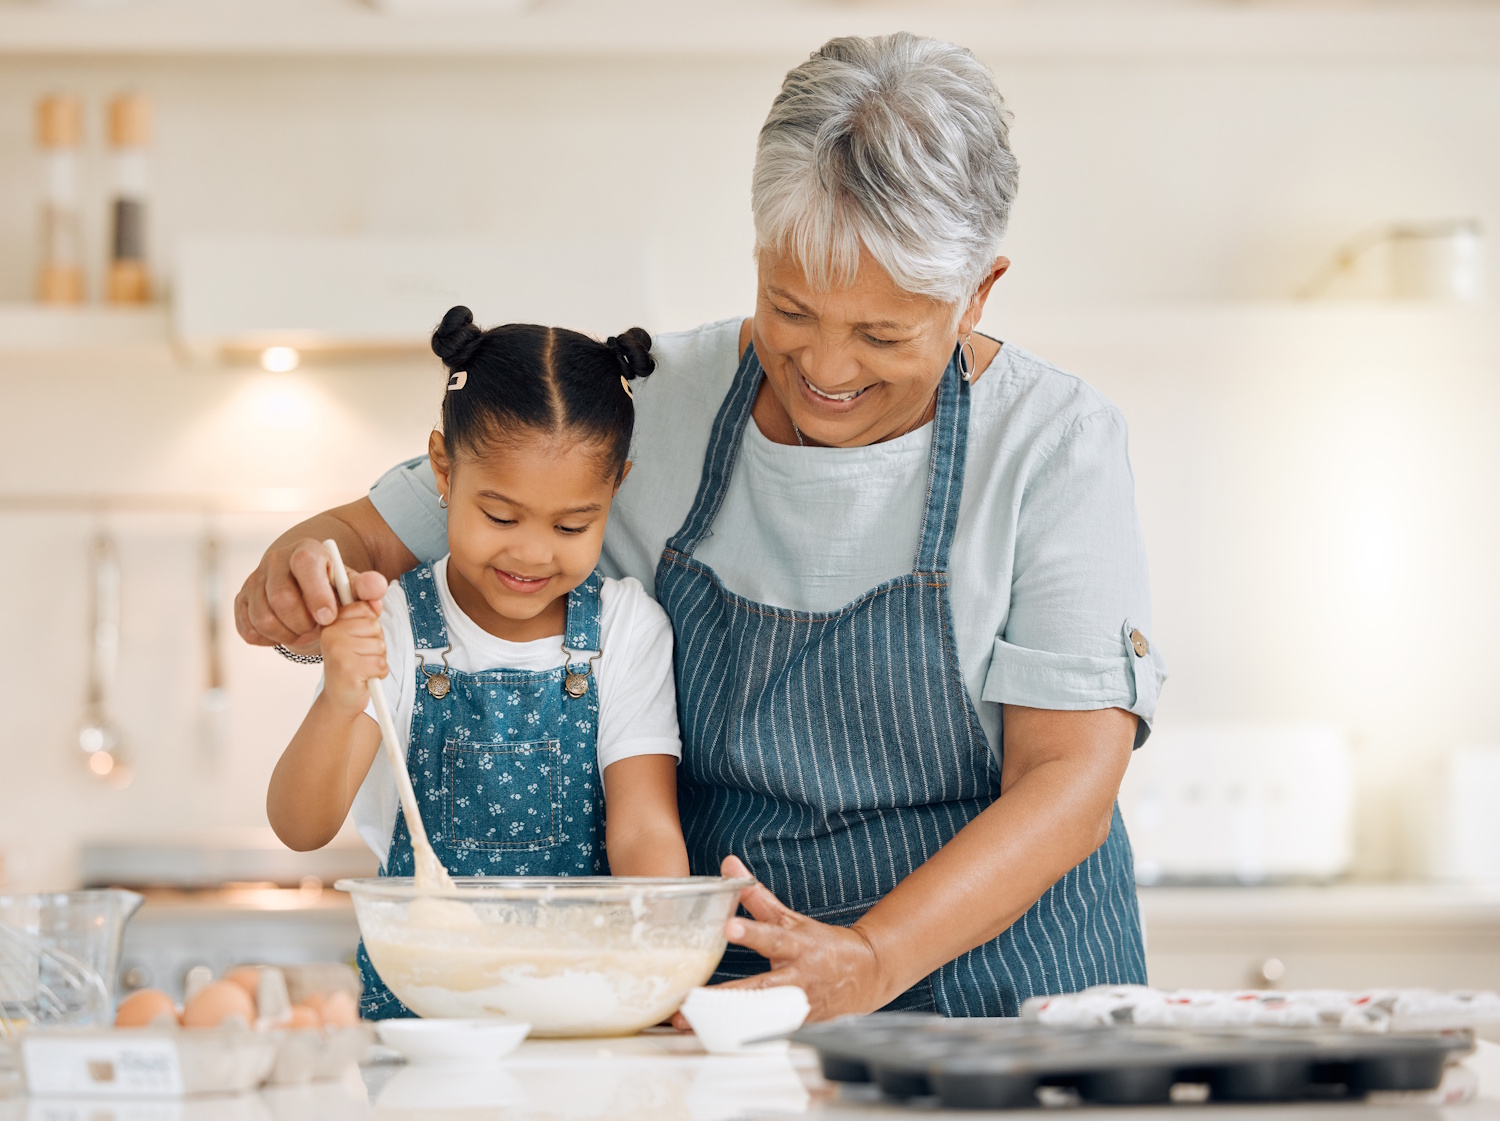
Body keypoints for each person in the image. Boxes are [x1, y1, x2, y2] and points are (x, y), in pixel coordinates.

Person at [240, 33, 1169, 1020]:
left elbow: (1069, 774)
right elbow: (380, 532)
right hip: (727, 1012)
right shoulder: (653, 401)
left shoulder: (1054, 443)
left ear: (978, 290)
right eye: (791, 306)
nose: (828, 367)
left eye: (883, 334)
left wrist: (871, 956)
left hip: (1012, 1004)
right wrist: (297, 570)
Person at [264, 308, 689, 1019]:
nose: (530, 552)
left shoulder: (626, 630)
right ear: (443, 467)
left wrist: (666, 963)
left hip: (580, 1015)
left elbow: (644, 829)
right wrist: (340, 696)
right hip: (420, 1020)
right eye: (500, 516)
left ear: (616, 486)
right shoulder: (391, 623)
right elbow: (300, 826)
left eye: (571, 525)